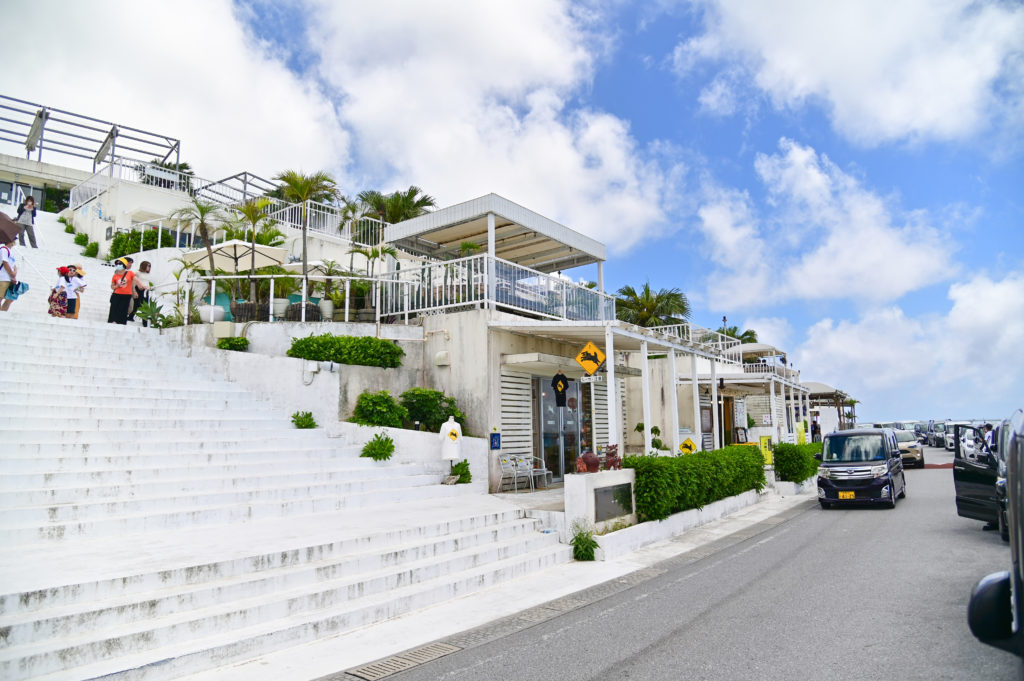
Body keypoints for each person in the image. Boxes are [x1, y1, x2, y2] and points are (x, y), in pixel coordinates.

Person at [107, 258, 136, 324]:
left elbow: (134, 283)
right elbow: (113, 285)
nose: (118, 265)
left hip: (127, 294)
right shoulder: (116, 274)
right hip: (117, 293)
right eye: (117, 264)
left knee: (125, 308)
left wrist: (134, 291)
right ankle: (114, 321)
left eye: (120, 264)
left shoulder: (130, 273)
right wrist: (117, 286)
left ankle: (120, 320)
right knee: (115, 309)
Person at [0, 237, 16, 311]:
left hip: (9, 278)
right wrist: (11, 273)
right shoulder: (4, 249)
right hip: (3, 277)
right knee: (1, 296)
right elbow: (5, 262)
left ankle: (2, 312)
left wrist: (14, 274)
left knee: (10, 299)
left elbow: (14, 265)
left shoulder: (11, 251)